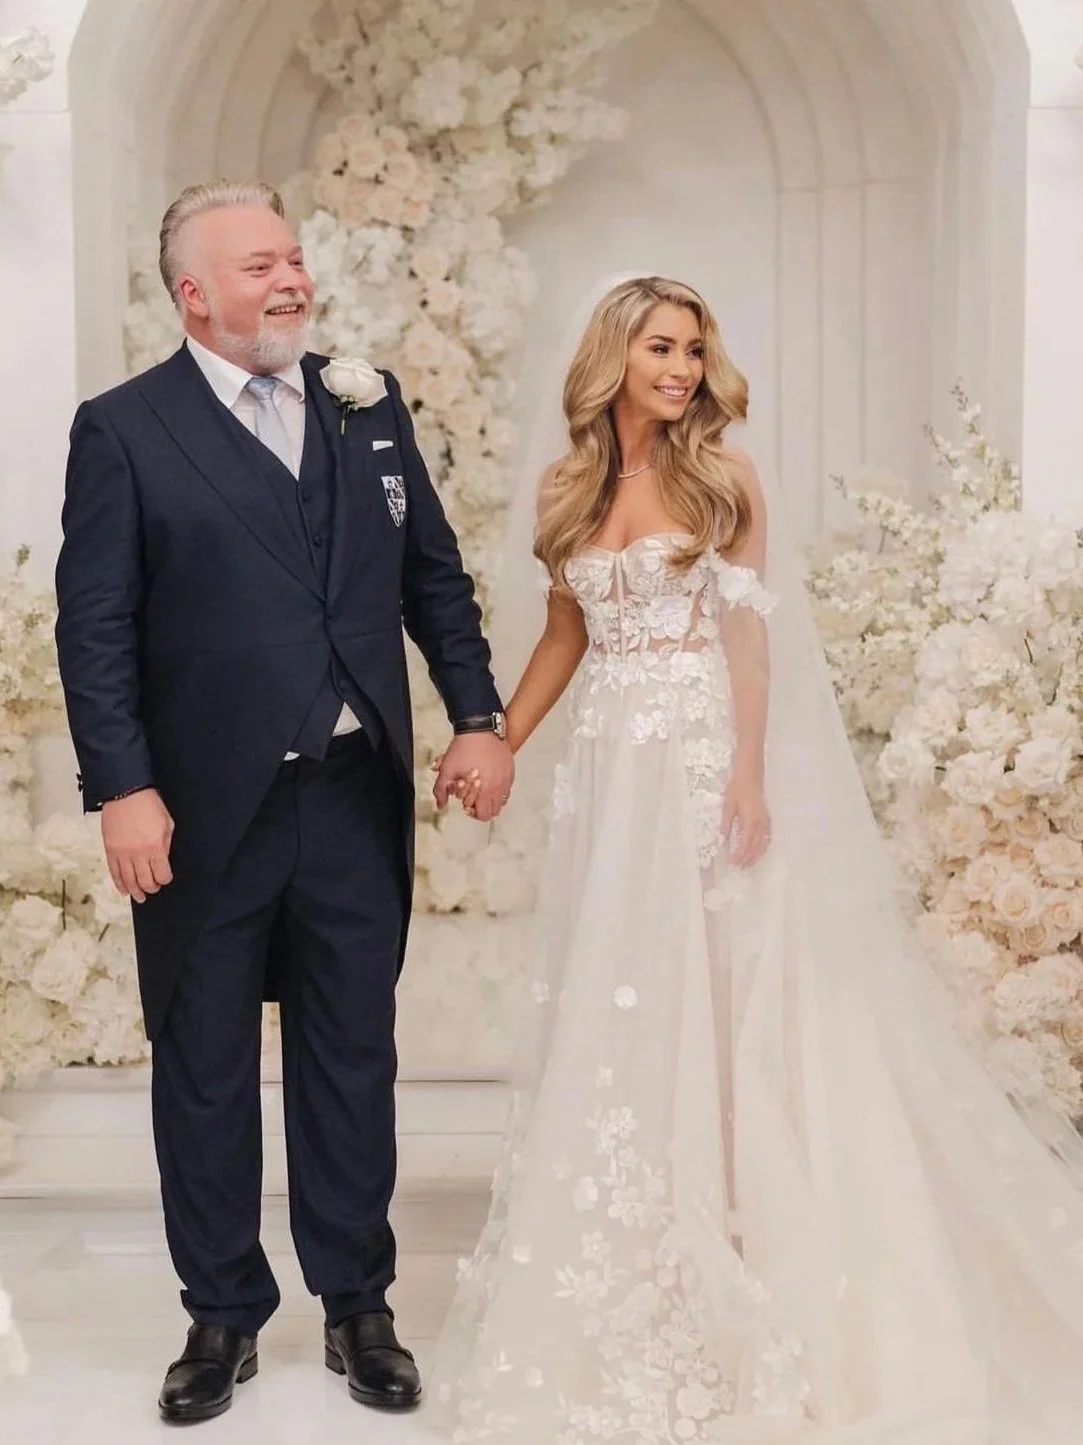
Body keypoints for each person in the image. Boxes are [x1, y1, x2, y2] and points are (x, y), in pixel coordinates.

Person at [426, 276, 1083, 1444]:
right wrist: (501, 741)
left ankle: (742, 1243)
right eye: (661, 347)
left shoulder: (722, 478)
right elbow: (567, 632)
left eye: (693, 349)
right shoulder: (567, 485)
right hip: (607, 782)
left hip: (691, 759)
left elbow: (750, 637)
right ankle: (638, 1262)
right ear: (614, 358)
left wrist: (746, 774)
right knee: (619, 996)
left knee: (723, 999)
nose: (681, 368)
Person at [53, 180, 514, 1425]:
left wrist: (479, 715)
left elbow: (434, 580)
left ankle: (360, 1304)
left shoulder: (367, 406)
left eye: (295, 258)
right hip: (202, 811)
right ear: (195, 293)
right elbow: (94, 627)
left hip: (356, 798)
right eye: (260, 265)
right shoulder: (125, 429)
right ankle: (221, 1313)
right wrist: (124, 788)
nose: (290, 280)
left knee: (352, 1056)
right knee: (201, 1065)